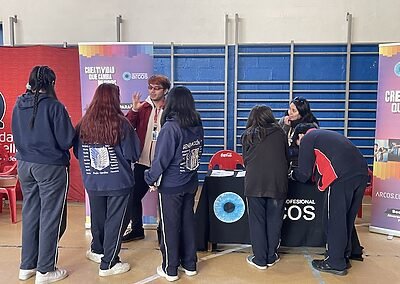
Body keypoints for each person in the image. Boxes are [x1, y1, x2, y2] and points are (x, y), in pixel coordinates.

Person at [12, 66, 75, 283]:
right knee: (51, 216)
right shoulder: (55, 107)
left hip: (24, 165)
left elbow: (16, 135)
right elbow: (67, 140)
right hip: (50, 167)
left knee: (30, 213)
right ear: (52, 84)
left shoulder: (19, 103)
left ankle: (27, 266)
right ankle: (46, 270)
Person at [74, 83, 140, 277]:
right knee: (116, 222)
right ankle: (109, 263)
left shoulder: (83, 123)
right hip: (119, 182)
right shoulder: (121, 124)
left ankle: (97, 250)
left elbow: (77, 152)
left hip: (93, 181)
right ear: (115, 99)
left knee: (98, 218)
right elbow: (133, 153)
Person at [290, 123, 369, 276]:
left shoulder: (307, 138)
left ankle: (335, 262)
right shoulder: (325, 136)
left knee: (334, 220)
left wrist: (292, 174)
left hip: (341, 176)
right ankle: (346, 254)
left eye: (297, 143)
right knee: (346, 218)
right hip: (362, 173)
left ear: (300, 135)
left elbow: (304, 174)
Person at [144, 86, 204, 282]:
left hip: (171, 187)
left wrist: (149, 177)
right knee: (187, 223)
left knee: (170, 226)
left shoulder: (171, 127)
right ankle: (190, 264)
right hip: (190, 182)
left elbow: (161, 160)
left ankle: (170, 268)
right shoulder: (197, 123)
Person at [122, 74, 171, 242]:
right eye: (150, 87)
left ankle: (162, 231)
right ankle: (137, 229)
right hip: (143, 162)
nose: (152, 91)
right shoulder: (143, 107)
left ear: (165, 90)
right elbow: (127, 126)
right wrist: (134, 109)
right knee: (133, 196)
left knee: (165, 200)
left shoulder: (171, 109)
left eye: (156, 88)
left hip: (164, 164)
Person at [241, 105, 289, 270]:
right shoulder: (280, 133)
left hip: (254, 183)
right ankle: (271, 256)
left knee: (257, 222)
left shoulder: (248, 135)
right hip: (277, 183)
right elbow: (287, 157)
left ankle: (260, 259)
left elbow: (245, 160)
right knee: (275, 221)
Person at [279, 96, 319, 164]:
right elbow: (278, 141)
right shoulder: (284, 121)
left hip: (300, 163)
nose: (289, 113)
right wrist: (286, 127)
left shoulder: (310, 126)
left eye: (294, 111)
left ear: (301, 113)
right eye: (289, 109)